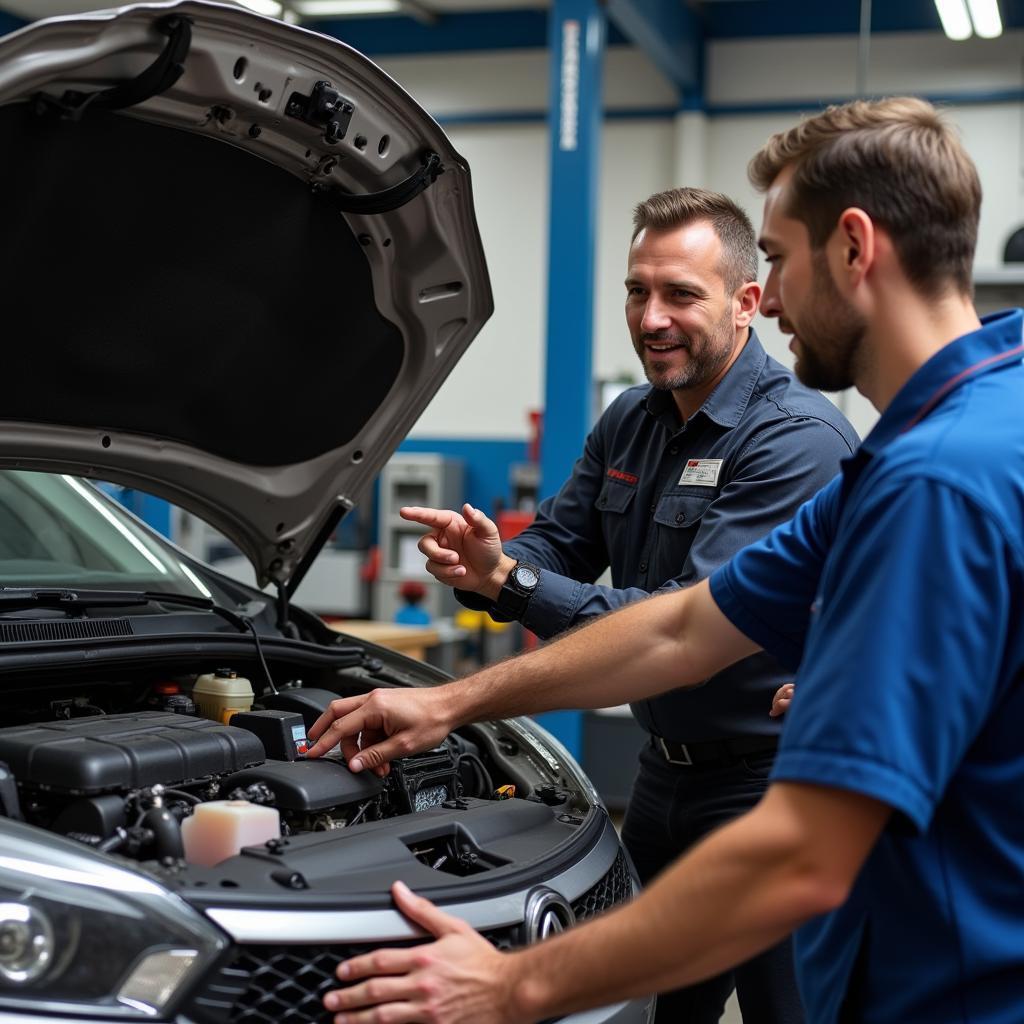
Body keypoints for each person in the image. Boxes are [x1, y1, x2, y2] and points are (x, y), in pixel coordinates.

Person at [307, 96, 1024, 1024]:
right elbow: (685, 627)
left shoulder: (929, 481)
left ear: (853, 248)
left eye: (774, 259)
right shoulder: (946, 439)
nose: (775, 298)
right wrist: (445, 702)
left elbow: (796, 857)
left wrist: (514, 983)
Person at [397, 186, 856, 1023]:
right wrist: (490, 564)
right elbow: (556, 546)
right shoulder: (631, 420)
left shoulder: (796, 440)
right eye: (637, 291)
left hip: (771, 785)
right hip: (659, 782)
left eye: (681, 294)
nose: (651, 319)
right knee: (639, 1011)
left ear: (747, 301)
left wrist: (514, 587)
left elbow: (680, 624)